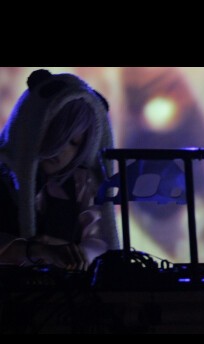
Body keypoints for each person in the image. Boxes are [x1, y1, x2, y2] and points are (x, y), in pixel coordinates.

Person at [0, 69, 119, 272]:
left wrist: (78, 254)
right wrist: (36, 250)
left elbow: (100, 241)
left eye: (73, 143)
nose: (61, 149)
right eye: (55, 133)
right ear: (31, 126)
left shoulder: (80, 185)